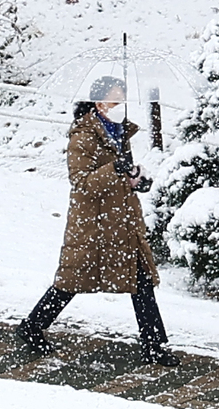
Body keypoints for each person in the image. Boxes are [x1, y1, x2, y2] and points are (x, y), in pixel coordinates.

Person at [15, 77, 178, 365]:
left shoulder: (119, 133)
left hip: (124, 223)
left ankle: (154, 346)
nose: (119, 105)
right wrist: (114, 168)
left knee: (141, 282)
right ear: (98, 101)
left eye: (122, 100)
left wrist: (137, 179)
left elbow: (123, 176)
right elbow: (82, 183)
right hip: (94, 226)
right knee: (71, 281)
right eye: (114, 99)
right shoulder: (83, 135)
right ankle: (32, 326)